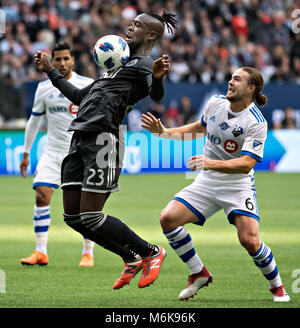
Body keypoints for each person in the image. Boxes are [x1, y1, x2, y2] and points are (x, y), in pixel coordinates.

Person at [33, 11, 177, 289]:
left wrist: (158, 78)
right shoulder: (115, 68)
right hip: (80, 138)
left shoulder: (144, 64)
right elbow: (78, 96)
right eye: (131, 22)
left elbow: (155, 93)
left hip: (103, 141)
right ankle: (131, 258)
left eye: (137, 25)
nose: (129, 27)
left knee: (90, 215)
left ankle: (151, 252)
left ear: (150, 35)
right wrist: (50, 70)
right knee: (72, 217)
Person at [141, 66, 290, 302]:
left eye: (237, 79)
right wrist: (165, 132)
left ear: (251, 88)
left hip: (237, 185)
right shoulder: (215, 103)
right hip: (208, 181)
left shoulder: (256, 122)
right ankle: (198, 273)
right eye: (231, 78)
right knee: (167, 219)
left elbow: (246, 164)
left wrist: (209, 163)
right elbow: (199, 128)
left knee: (249, 240)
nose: (231, 82)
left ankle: (277, 287)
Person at [20, 42, 96, 268]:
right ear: (51, 62)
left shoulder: (87, 85)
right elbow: (34, 121)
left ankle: (87, 252)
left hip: (80, 153)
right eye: (58, 59)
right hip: (52, 152)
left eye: (66, 59)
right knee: (41, 195)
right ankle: (40, 251)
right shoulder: (43, 88)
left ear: (73, 60)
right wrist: (25, 153)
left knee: (86, 206)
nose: (62, 63)